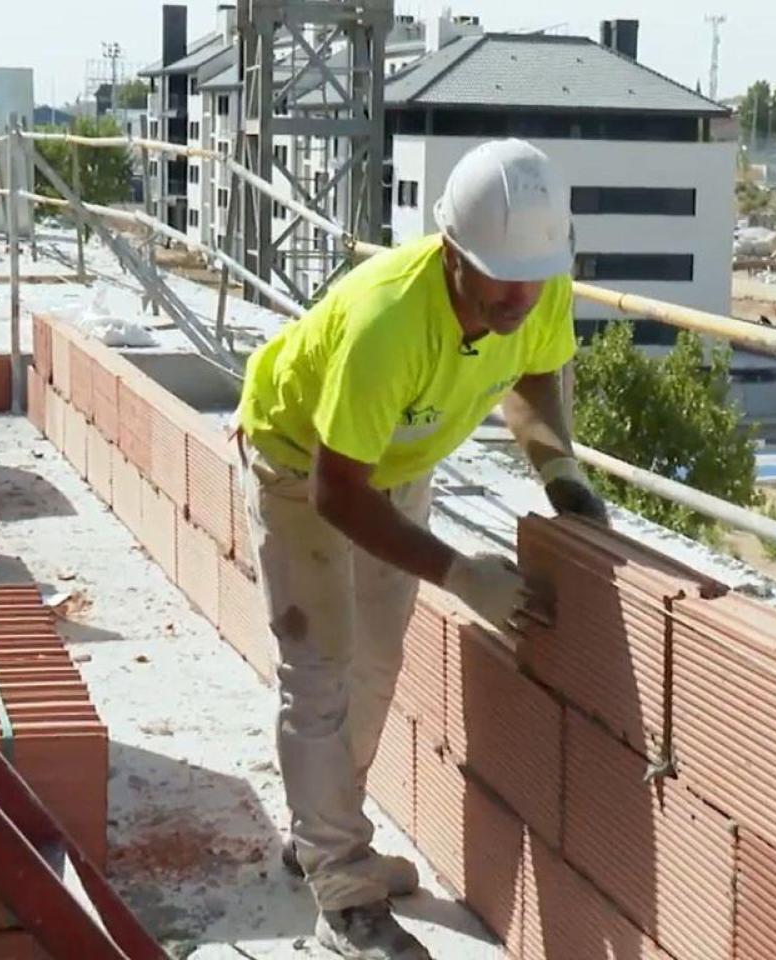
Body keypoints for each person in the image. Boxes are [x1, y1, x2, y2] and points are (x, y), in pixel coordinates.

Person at [231, 139, 608, 959]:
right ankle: (346, 900)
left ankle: (323, 840)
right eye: (500, 276)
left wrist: (560, 471)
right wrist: (460, 574)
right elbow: (336, 493)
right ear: (452, 251)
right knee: (321, 668)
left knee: (373, 668)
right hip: (300, 466)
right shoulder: (388, 320)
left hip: (395, 468)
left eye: (532, 276)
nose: (518, 296)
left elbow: (537, 374)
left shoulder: (535, 283)